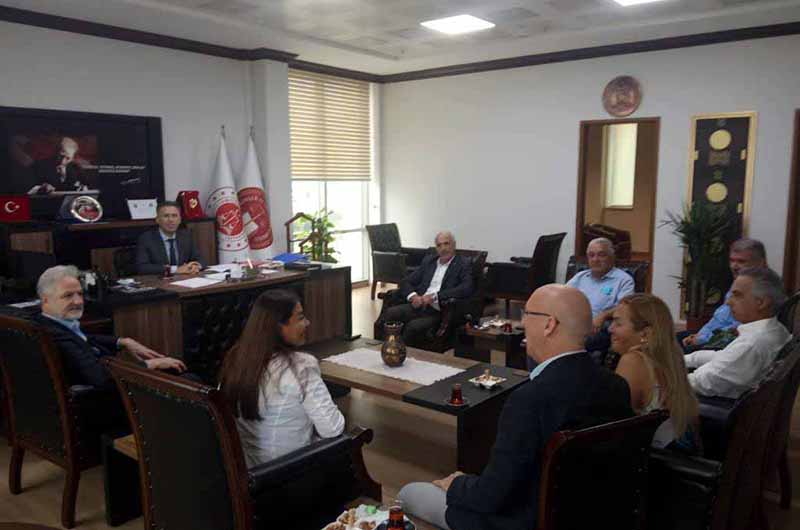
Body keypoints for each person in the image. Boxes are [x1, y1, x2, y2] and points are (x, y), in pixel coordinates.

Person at [397, 285, 633, 530]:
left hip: (525, 520)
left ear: (549, 325)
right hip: (593, 512)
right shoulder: (617, 386)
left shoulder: (529, 399)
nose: (522, 323)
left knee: (409, 493)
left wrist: (457, 484)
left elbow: (491, 496)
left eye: (527, 314)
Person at [219, 289, 345, 468]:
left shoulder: (236, 358)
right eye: (300, 318)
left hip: (246, 468)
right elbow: (333, 429)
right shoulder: (301, 366)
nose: (307, 323)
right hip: (286, 471)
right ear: (278, 326)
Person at [32, 265, 187, 391]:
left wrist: (122, 341)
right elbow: (102, 378)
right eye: (68, 296)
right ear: (45, 301)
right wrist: (151, 364)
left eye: (80, 294)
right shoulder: (55, 335)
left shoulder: (47, 322)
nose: (78, 301)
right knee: (186, 379)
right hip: (112, 399)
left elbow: (81, 339)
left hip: (111, 385)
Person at [609, 293, 700, 452]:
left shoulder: (633, 361)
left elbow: (612, 422)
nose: (610, 329)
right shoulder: (673, 359)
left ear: (645, 333)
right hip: (679, 454)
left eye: (618, 323)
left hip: (652, 460)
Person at [686, 267, 790, 399]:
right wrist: (682, 360)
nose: (728, 302)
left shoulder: (752, 343)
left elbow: (703, 383)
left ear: (761, 303)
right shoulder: (774, 329)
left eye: (737, 295)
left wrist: (666, 376)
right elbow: (723, 357)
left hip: (714, 404)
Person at [384, 231, 473, 348]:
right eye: (439, 245)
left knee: (413, 327)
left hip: (440, 311)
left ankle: (402, 354)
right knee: (391, 313)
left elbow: (466, 288)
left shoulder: (463, 264)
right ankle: (386, 350)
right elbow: (406, 281)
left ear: (454, 245)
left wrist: (435, 296)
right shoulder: (429, 261)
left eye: (446, 244)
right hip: (419, 305)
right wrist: (413, 296)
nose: (443, 248)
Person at [680, 238, 767, 352]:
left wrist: (701, 339)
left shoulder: (760, 290)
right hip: (708, 337)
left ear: (759, 263)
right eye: (732, 261)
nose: (734, 266)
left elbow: (737, 330)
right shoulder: (739, 282)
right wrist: (699, 334)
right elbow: (718, 319)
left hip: (722, 346)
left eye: (741, 261)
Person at [567, 237, 635, 352]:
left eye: (601, 255)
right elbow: (563, 296)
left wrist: (603, 316)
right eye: (591, 255)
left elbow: (625, 307)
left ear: (612, 257)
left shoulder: (623, 280)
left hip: (599, 327)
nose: (595, 259)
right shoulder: (580, 277)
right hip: (573, 323)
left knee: (570, 341)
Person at [135, 201, 204, 275]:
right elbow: (142, 267)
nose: (171, 220)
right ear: (157, 220)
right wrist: (174, 269)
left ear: (180, 219)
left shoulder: (186, 236)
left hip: (185, 279)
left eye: (174, 216)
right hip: (159, 280)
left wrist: (195, 266)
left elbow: (201, 259)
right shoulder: (146, 239)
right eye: (166, 216)